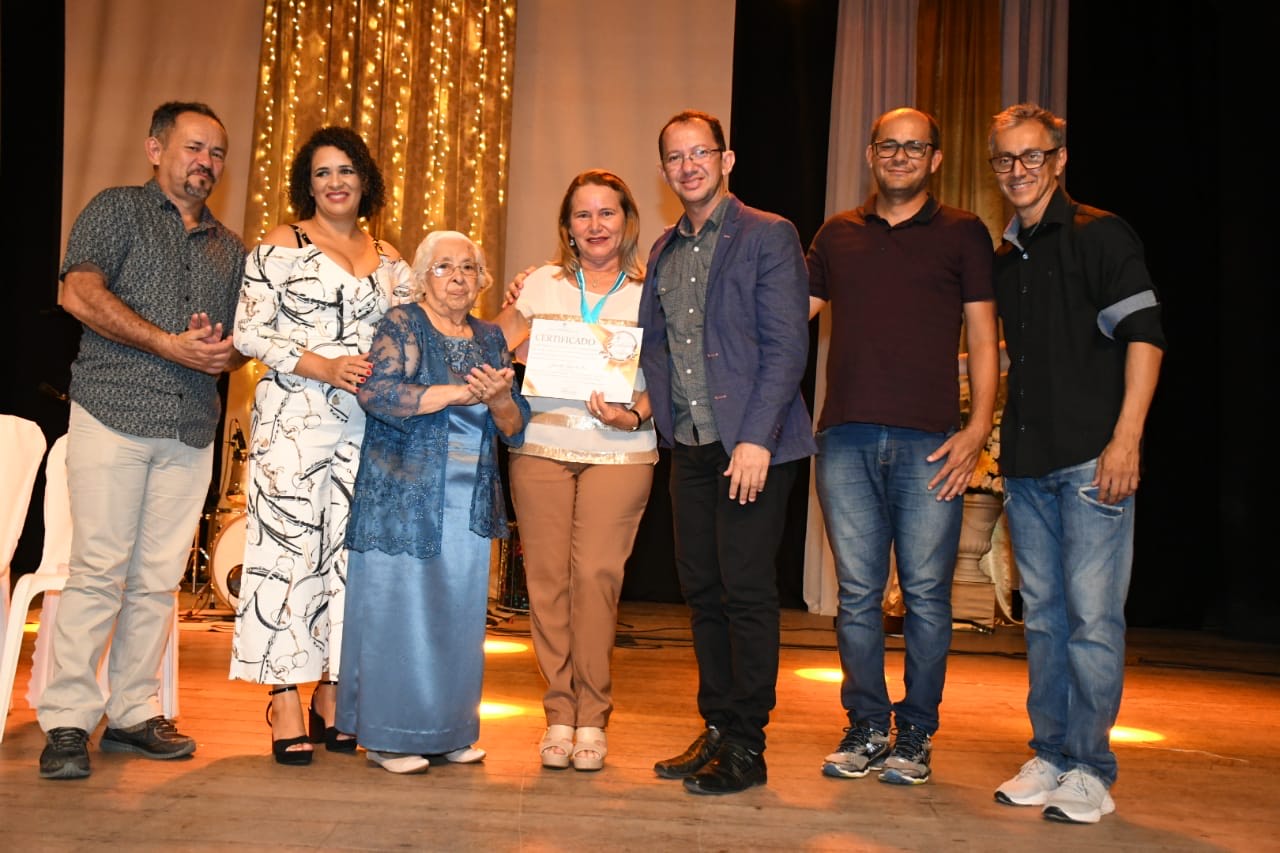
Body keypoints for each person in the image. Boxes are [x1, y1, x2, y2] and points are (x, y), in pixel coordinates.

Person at [37, 101, 247, 779]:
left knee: (157, 581)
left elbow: (242, 340)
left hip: (189, 427)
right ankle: (68, 719)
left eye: (217, 152)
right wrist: (166, 343)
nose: (206, 162)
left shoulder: (230, 247)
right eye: (194, 147)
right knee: (99, 568)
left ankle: (131, 713)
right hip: (112, 411)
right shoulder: (116, 209)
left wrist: (222, 353)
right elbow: (77, 293)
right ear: (156, 149)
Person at [805, 107, 999, 786]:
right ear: (870, 153)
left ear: (935, 159)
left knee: (926, 595)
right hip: (845, 437)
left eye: (915, 147)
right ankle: (865, 723)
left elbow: (983, 338)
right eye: (889, 144)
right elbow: (784, 315)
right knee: (857, 595)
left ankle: (915, 732)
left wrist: (977, 429)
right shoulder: (836, 234)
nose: (900, 155)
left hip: (932, 444)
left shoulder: (964, 232)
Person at [986, 103, 1164, 824]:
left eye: (1032, 156)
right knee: (1044, 620)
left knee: (1093, 620)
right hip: (1027, 464)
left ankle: (1091, 768)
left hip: (1093, 461)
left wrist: (1127, 440)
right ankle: (1052, 754)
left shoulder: (1100, 234)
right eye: (1006, 159)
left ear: (1059, 161)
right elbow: (1025, 355)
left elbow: (1146, 336)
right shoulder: (1007, 258)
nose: (1018, 171)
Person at [641, 109, 815, 795]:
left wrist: (754, 439)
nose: (688, 166)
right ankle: (717, 726)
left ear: (726, 159)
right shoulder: (664, 249)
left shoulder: (769, 234)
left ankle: (748, 743)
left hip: (752, 447)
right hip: (689, 445)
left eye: (700, 153)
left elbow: (788, 346)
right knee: (703, 592)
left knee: (745, 592)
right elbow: (657, 347)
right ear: (664, 169)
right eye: (675, 157)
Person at [228, 126, 412, 765]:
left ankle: (333, 691)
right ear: (307, 185)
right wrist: (323, 365)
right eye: (322, 173)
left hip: (369, 426)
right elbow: (248, 333)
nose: (335, 183)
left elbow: (419, 330)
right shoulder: (281, 245)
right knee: (286, 554)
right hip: (294, 420)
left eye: (346, 170)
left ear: (365, 179)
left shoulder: (390, 258)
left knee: (348, 558)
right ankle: (283, 696)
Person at [337, 230, 529, 774]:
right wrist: (458, 393)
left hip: (468, 500)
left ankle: (448, 733)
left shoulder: (491, 338)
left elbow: (515, 427)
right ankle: (389, 739)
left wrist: (498, 398)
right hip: (402, 495)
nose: (457, 277)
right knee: (400, 618)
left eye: (468, 267)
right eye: (444, 267)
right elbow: (376, 394)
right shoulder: (402, 323)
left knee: (457, 619)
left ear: (482, 279)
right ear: (423, 277)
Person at [494, 170, 657, 772]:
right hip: (541, 446)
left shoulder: (651, 289)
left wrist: (634, 413)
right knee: (547, 583)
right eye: (582, 215)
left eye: (606, 213)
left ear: (627, 221)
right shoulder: (540, 282)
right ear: (567, 226)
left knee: (594, 577)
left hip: (622, 448)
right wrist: (511, 323)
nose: (595, 225)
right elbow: (489, 342)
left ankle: (593, 715)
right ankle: (559, 713)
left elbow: (673, 372)